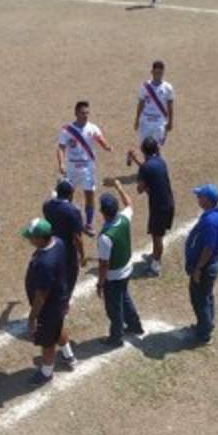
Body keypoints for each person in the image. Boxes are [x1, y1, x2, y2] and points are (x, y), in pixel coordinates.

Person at [23, 218, 75, 384]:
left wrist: (32, 318)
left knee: (47, 342)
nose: (29, 239)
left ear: (40, 238)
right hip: (59, 299)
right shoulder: (58, 243)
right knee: (58, 328)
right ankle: (69, 356)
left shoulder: (45, 263)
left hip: (48, 307)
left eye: (31, 237)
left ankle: (46, 372)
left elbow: (41, 295)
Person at [96, 179, 144, 346]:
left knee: (114, 308)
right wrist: (119, 187)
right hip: (127, 268)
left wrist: (100, 284)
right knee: (125, 298)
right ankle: (135, 325)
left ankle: (116, 337)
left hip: (114, 275)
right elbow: (129, 204)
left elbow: (104, 264)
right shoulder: (124, 218)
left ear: (102, 211)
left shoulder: (105, 237)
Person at [56, 101, 113, 235]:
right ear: (76, 113)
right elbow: (61, 148)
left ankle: (88, 223)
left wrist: (107, 146)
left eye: (87, 113)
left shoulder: (92, 128)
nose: (85, 115)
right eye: (82, 113)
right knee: (67, 194)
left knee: (89, 195)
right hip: (72, 168)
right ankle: (67, 219)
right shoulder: (67, 130)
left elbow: (100, 138)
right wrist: (61, 163)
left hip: (88, 168)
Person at [184, 184, 218, 344]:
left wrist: (199, 268)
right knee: (207, 295)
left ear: (207, 200)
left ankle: (204, 333)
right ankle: (207, 325)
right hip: (213, 263)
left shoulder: (210, 221)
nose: (198, 198)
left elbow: (208, 248)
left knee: (199, 298)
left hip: (205, 267)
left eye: (200, 196)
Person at [127, 137, 175, 276]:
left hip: (159, 207)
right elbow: (148, 169)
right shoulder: (160, 161)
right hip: (167, 203)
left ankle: (155, 266)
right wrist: (136, 160)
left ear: (143, 150)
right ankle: (154, 256)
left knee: (157, 237)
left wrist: (141, 180)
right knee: (157, 235)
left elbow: (140, 189)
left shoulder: (146, 168)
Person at [44, 179, 88, 299]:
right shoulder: (73, 211)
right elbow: (77, 237)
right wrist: (83, 255)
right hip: (67, 249)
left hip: (51, 245)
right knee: (70, 275)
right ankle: (64, 301)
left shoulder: (47, 206)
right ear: (70, 194)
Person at [134, 60, 175, 151]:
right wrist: (137, 120)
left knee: (157, 148)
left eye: (160, 73)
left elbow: (170, 106)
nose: (158, 75)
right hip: (145, 120)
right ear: (151, 72)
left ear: (163, 73)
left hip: (159, 122)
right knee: (144, 147)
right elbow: (141, 103)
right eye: (156, 72)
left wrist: (170, 122)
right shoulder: (145, 86)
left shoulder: (168, 87)